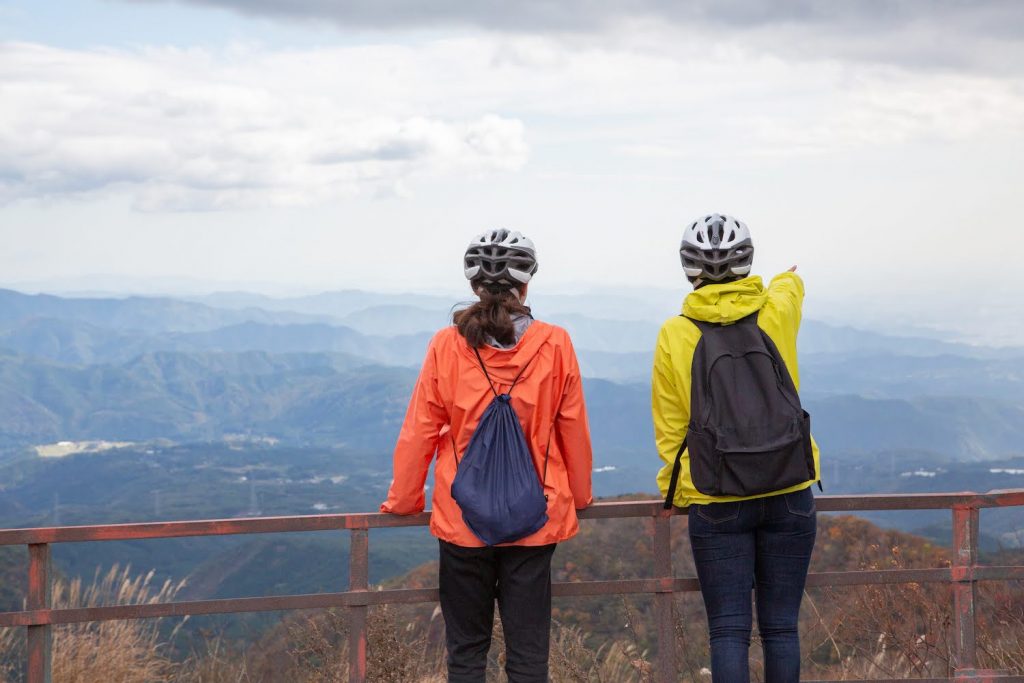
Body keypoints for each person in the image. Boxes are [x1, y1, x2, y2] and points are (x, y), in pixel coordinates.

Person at [381, 228, 593, 683]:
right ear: (526, 284)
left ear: (474, 285)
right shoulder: (555, 343)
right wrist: (579, 495)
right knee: (529, 655)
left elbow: (421, 428)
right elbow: (571, 424)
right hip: (536, 518)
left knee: (466, 655)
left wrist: (404, 500)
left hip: (462, 519)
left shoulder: (446, 344)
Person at [652, 214, 821, 683]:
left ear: (689, 270)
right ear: (747, 261)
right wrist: (789, 274)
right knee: (781, 629)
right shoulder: (777, 311)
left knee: (728, 632)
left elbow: (671, 428)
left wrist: (678, 492)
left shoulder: (675, 333)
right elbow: (791, 285)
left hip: (716, 495)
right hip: (789, 488)